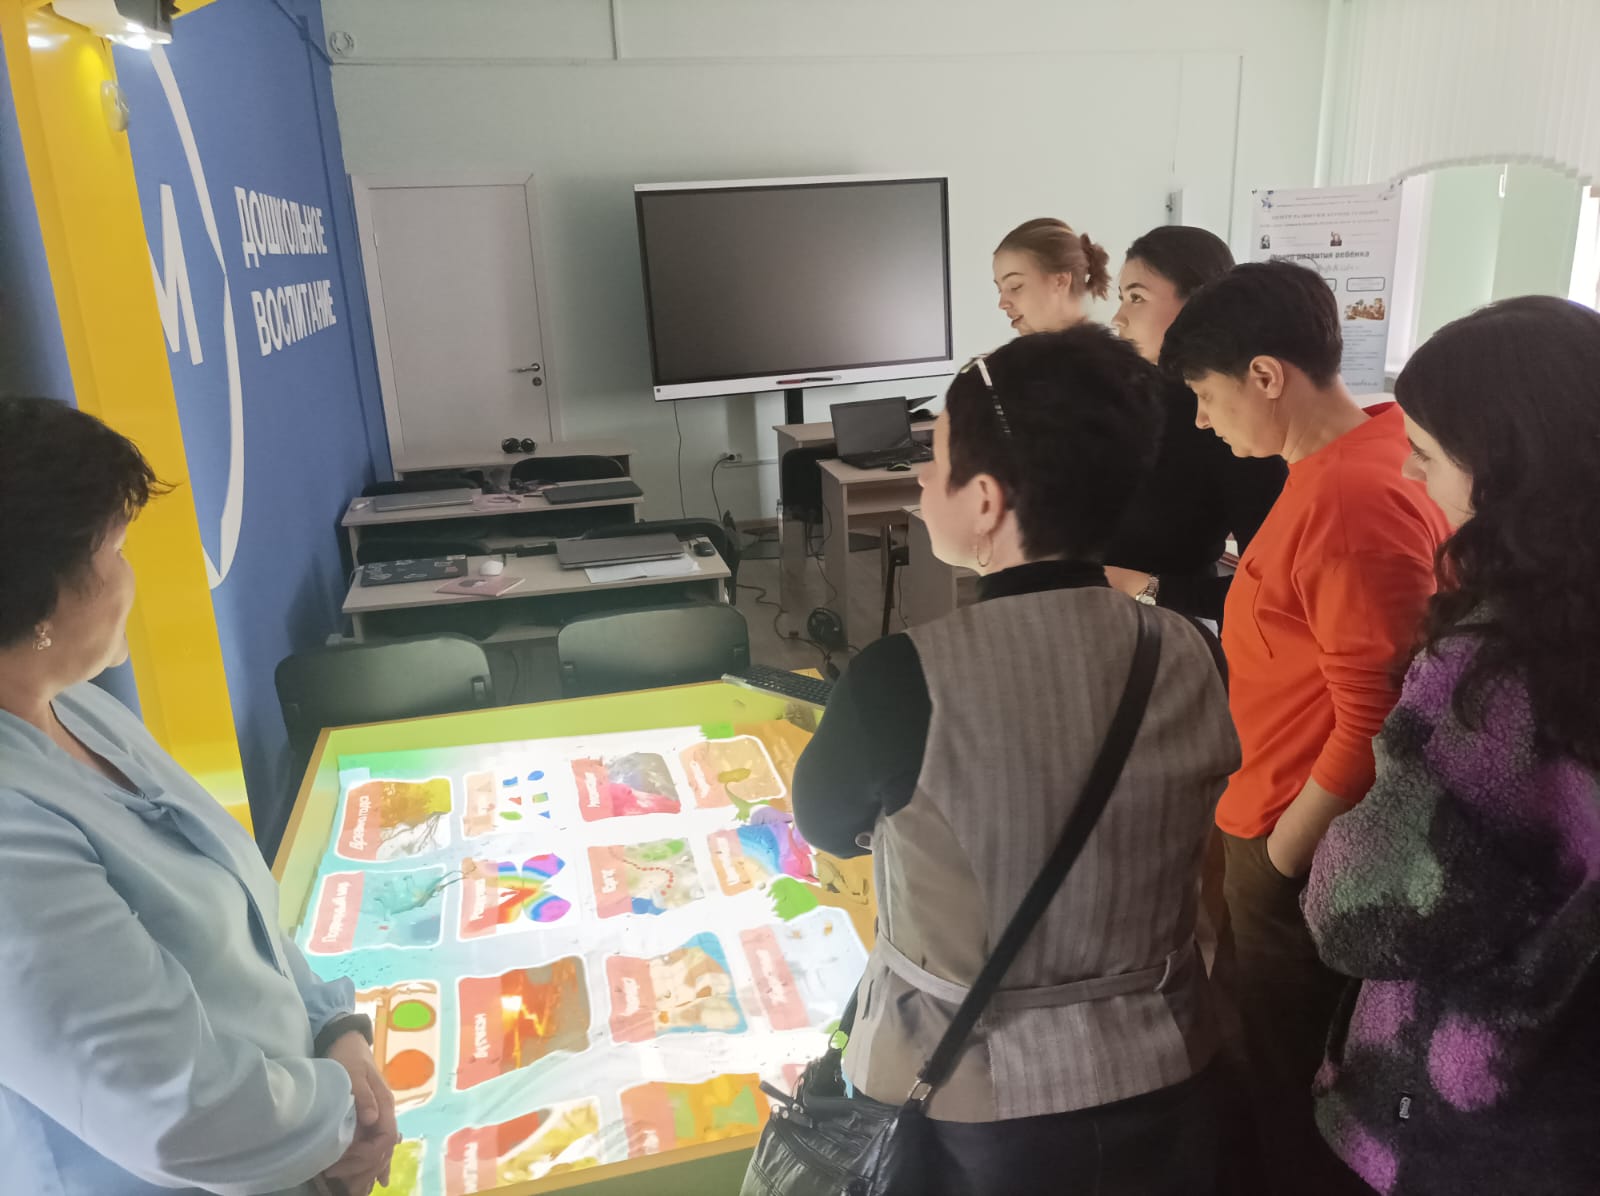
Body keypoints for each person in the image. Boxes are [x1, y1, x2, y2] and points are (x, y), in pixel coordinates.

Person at [789, 326, 1242, 1195]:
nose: (922, 482)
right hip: (1170, 1073)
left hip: (971, 1101)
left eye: (935, 461)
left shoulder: (901, 678)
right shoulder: (1192, 651)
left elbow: (828, 824)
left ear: (988, 502)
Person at [0, 397, 399, 1196]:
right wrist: (344, 1118)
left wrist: (333, 1027)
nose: (130, 578)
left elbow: (241, 914)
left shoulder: (79, 709)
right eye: (115, 551)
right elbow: (182, 1114)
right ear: (43, 600)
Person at [1160, 262, 1450, 1196]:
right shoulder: (1366, 449)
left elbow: (1379, 714)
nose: (1202, 421)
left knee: (1286, 1081)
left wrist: (1283, 855)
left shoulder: (1349, 501)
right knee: (1263, 1054)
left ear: (1267, 375)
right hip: (1274, 809)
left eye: (1207, 396)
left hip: (1300, 832)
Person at [1303, 297, 1600, 1196]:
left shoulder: (1490, 670)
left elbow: (1366, 910)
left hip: (1475, 1112)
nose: (1409, 470)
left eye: (1428, 454)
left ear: (1508, 472)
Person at [1106, 225, 1287, 622]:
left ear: (1199, 304)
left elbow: (1271, 591)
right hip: (1087, 621)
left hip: (1167, 635)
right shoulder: (1122, 394)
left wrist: (1141, 587)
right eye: (1122, 298)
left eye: (1137, 298)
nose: (1118, 318)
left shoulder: (1236, 423)